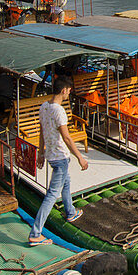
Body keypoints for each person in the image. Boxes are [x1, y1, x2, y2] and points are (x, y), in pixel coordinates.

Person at [28, 76, 88, 246]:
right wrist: (80, 157)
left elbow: (41, 131)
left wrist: (41, 153)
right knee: (52, 195)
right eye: (69, 90)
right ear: (64, 90)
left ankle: (70, 212)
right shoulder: (58, 110)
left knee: (66, 182)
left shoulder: (44, 106)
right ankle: (35, 233)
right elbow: (67, 138)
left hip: (51, 155)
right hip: (60, 156)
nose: (69, 93)